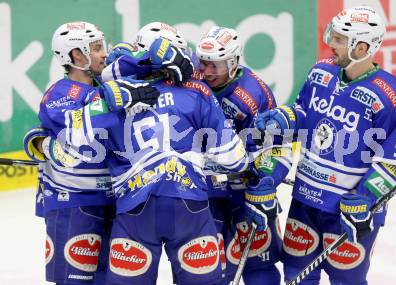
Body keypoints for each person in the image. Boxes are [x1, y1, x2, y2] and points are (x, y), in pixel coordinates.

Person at [255, 6, 396, 285]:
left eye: (339, 39)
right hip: (305, 202)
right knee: (296, 278)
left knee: (346, 281)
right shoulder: (320, 72)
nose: (331, 43)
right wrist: (284, 118)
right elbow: (305, 113)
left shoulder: (391, 95)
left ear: (362, 47)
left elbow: (393, 163)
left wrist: (364, 199)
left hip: (348, 212)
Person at [23, 21, 178, 284]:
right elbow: (69, 125)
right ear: (76, 55)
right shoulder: (60, 94)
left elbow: (131, 61)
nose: (104, 53)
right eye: (95, 48)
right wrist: (44, 144)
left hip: (114, 201)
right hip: (74, 202)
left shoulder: (107, 82)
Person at [56, 74, 249, 284]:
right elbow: (236, 160)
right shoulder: (195, 90)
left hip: (135, 210)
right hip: (190, 207)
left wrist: (44, 143)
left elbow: (69, 137)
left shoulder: (113, 95)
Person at [196, 26, 293, 285]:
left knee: (260, 263)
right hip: (205, 192)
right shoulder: (192, 83)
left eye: (214, 65)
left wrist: (267, 182)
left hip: (246, 192)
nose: (206, 71)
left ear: (232, 61)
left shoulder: (255, 93)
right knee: (207, 267)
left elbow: (277, 148)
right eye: (203, 63)